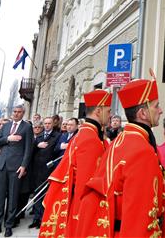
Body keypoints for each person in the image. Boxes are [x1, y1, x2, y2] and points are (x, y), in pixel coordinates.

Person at [75, 79, 165, 237]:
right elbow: (140, 219)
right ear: (143, 113)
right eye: (156, 105)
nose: (161, 110)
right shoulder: (142, 151)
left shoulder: (120, 140)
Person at [40, 89, 111, 235]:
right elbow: (86, 186)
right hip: (82, 212)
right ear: (98, 111)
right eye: (108, 111)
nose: (110, 116)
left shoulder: (86, 133)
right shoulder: (90, 139)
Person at [0, 104, 33, 237]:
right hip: (2, 165)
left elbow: (29, 149)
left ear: (23, 113)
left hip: (16, 167)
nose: (16, 114)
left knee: (12, 196)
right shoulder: (5, 126)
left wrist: (24, 166)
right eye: (14, 111)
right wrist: (8, 139)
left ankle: (9, 225)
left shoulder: (27, 127)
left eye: (19, 112)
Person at [27, 117, 59, 228]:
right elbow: (30, 151)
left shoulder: (57, 136)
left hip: (48, 170)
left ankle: (43, 219)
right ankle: (36, 218)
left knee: (44, 194)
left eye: (49, 123)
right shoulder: (39, 136)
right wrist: (36, 145)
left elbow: (57, 152)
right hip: (36, 169)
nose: (47, 125)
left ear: (52, 124)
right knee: (36, 194)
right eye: (45, 123)